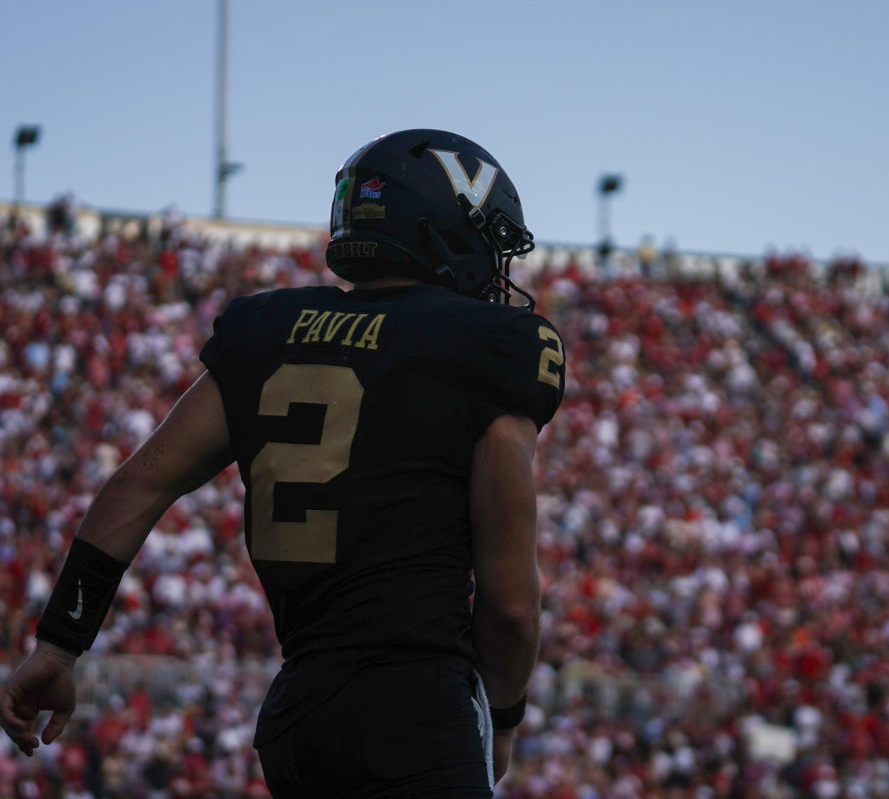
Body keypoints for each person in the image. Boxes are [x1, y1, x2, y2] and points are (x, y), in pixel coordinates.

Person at [0, 129, 566, 797]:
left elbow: (138, 486)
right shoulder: (493, 348)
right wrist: (500, 718)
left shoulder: (268, 331)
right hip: (417, 710)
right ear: (444, 230)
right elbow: (509, 606)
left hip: (299, 716)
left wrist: (61, 641)